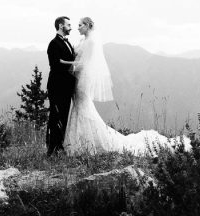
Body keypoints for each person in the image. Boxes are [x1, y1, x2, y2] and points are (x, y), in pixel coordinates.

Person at [62, 17, 191, 156]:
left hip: (83, 79)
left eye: (80, 25)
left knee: (83, 107)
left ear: (87, 26)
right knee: (79, 108)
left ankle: (86, 142)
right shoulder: (83, 41)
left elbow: (84, 63)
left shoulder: (92, 42)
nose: (78, 27)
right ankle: (79, 142)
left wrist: (63, 62)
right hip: (78, 78)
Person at [45, 16, 77, 156]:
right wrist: (75, 64)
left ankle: (60, 146)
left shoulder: (68, 43)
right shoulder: (53, 44)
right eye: (68, 25)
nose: (71, 27)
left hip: (67, 87)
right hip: (57, 86)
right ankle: (52, 148)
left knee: (63, 116)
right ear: (60, 26)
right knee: (55, 116)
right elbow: (56, 64)